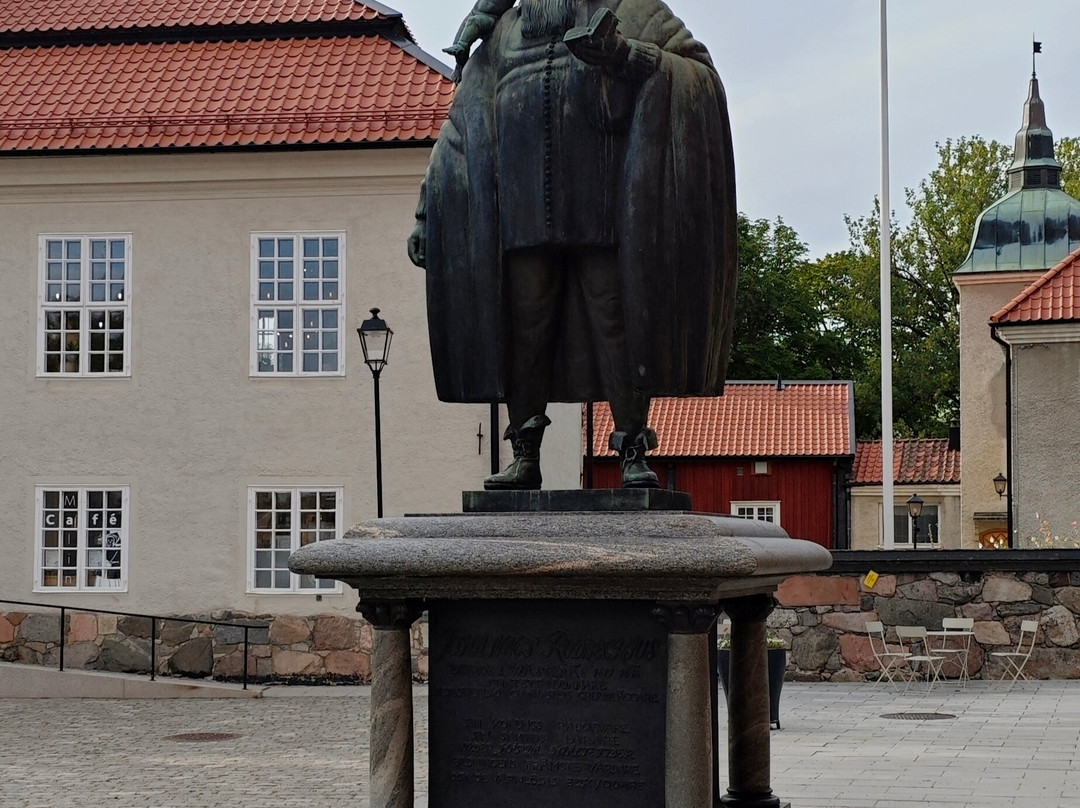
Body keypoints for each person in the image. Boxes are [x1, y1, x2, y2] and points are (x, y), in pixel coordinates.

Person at [408, 0, 737, 491]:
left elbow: (699, 78)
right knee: (524, 331)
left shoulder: (630, 9)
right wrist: (425, 213)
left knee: (616, 323)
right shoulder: (504, 35)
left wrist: (625, 56)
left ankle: (631, 448)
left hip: (602, 209)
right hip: (520, 217)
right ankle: (524, 453)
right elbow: (460, 126)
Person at [443, 0, 516, 83]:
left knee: (472, 23)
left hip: (491, 18)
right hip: (474, 12)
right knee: (456, 42)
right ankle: (460, 67)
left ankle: (461, 46)